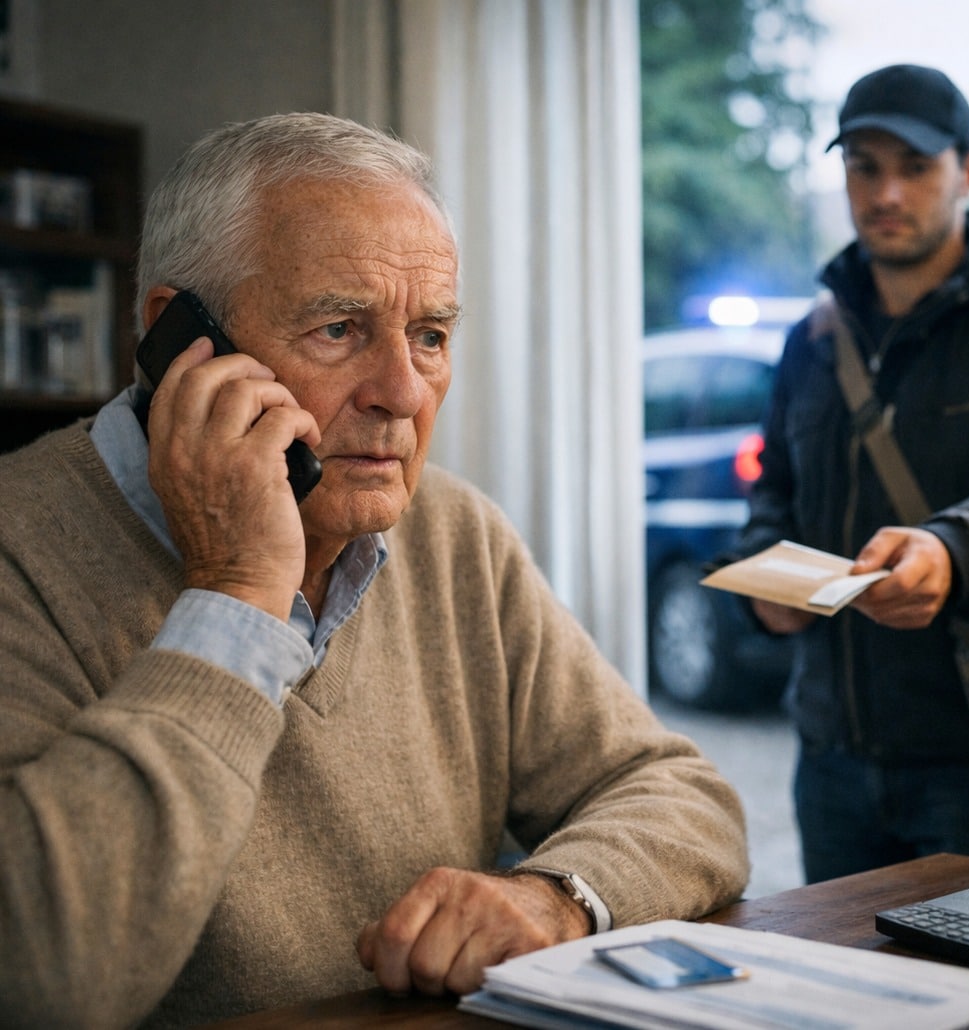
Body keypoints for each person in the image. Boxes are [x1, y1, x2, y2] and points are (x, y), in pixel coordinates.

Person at [0, 112, 749, 1028]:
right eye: (340, 328)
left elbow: (683, 796)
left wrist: (556, 896)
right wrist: (236, 592)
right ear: (179, 342)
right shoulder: (18, 547)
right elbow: (41, 976)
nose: (402, 391)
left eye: (430, 335)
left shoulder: (456, 534)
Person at [736, 64, 969, 883]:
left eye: (915, 167)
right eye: (864, 167)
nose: (887, 193)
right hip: (828, 755)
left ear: (968, 172)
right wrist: (767, 587)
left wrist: (947, 551)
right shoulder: (813, 337)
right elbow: (774, 491)